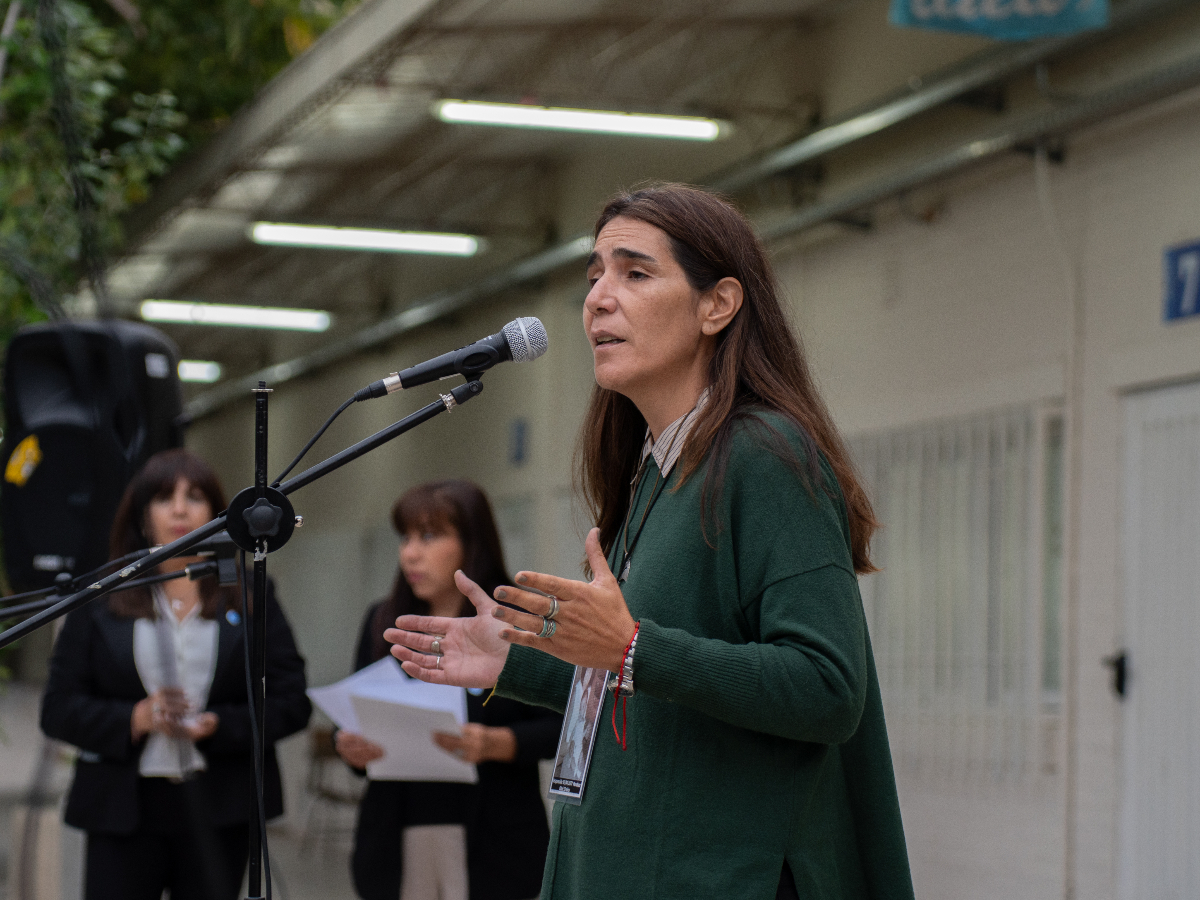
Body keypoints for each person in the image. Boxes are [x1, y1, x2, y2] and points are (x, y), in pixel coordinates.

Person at [386, 184, 916, 900]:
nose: (600, 297)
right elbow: (651, 683)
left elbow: (827, 688)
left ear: (716, 305)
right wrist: (522, 663)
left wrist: (634, 646)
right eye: (596, 274)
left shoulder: (764, 455)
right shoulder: (651, 474)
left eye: (635, 272)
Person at [40, 448, 312, 900]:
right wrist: (136, 719)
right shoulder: (102, 595)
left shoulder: (249, 592)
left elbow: (291, 700)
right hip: (123, 809)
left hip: (220, 805)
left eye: (196, 496)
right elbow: (57, 709)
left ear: (219, 512)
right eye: (165, 497)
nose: (182, 509)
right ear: (142, 515)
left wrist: (219, 725)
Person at [335, 479, 562, 900]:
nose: (410, 553)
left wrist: (498, 743)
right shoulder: (383, 620)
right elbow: (358, 723)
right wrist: (353, 750)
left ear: (470, 542)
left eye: (429, 535)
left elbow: (562, 726)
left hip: (494, 834)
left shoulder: (515, 622)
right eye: (405, 537)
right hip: (397, 832)